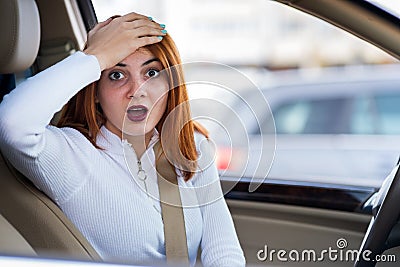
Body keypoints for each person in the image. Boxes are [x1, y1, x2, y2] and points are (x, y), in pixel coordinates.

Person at [0, 12, 245, 267]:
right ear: (95, 91)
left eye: (151, 73)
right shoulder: (73, 154)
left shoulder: (192, 146)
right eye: (117, 74)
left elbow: (223, 251)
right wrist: (94, 57)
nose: (136, 91)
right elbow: (12, 123)